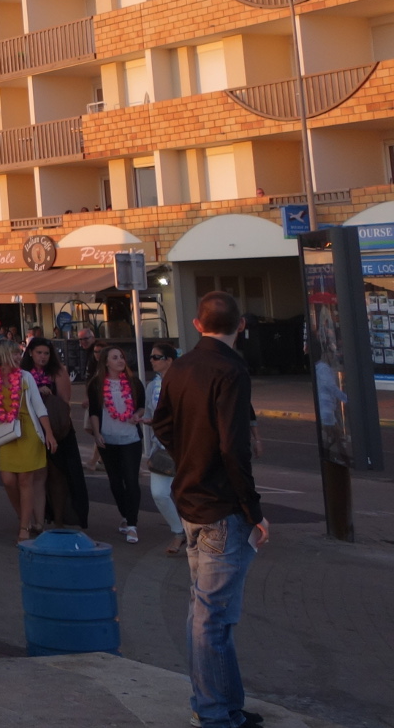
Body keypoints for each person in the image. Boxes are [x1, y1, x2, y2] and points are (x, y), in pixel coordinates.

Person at [152, 291, 267, 728]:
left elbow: (162, 423)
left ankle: (222, 703)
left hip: (190, 500)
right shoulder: (232, 370)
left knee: (204, 611)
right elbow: (234, 447)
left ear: (197, 325)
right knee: (213, 617)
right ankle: (216, 712)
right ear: (241, 325)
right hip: (220, 505)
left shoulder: (180, 367)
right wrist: (253, 509)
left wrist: (188, 455)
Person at [0, 338, 58, 541]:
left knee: (25, 480)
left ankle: (24, 528)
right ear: (4, 355)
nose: (18, 356)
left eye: (18, 353)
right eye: (14, 353)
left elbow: (39, 407)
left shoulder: (25, 376)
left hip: (28, 432)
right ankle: (24, 517)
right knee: (8, 480)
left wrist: (49, 433)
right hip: (5, 433)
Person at [25, 336, 88, 528]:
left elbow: (64, 403)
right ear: (30, 353)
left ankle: (59, 519)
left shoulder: (58, 372)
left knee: (57, 474)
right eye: (39, 353)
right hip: (31, 428)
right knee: (33, 476)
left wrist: (48, 395)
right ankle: (36, 519)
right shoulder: (23, 372)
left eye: (46, 353)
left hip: (56, 428)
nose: (43, 357)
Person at [88, 345, 147, 544]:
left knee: (131, 480)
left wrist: (137, 415)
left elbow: (141, 406)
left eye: (121, 356)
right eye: (115, 357)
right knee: (115, 482)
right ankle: (125, 514)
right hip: (108, 439)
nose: (120, 360)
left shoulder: (133, 382)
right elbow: (94, 411)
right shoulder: (96, 384)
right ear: (106, 362)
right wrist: (97, 434)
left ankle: (132, 525)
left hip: (130, 438)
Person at [143, 341, 186, 553]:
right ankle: (179, 531)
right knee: (159, 493)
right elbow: (149, 414)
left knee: (188, 493)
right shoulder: (152, 387)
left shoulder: (184, 383)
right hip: (162, 448)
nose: (151, 360)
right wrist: (144, 420)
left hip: (185, 446)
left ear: (169, 360)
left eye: (156, 357)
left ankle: (196, 535)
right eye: (151, 356)